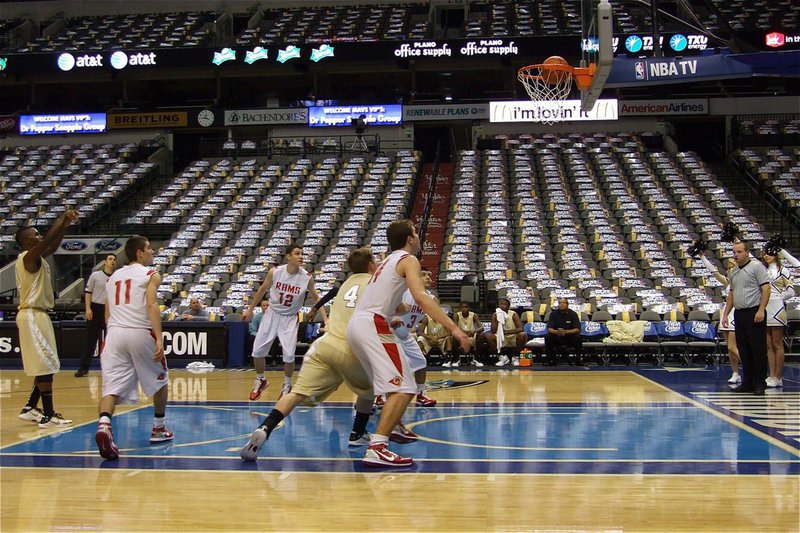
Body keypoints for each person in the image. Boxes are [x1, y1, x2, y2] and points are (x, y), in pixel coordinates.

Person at [346, 220, 470, 467]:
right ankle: (378, 447)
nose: (418, 236)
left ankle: (394, 427)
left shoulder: (386, 262)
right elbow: (420, 296)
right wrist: (454, 328)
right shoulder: (408, 259)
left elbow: (398, 303)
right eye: (415, 232)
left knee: (393, 386)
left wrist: (399, 307)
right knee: (404, 387)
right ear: (410, 239)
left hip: (358, 324)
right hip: (373, 324)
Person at [241, 248, 380, 460]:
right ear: (371, 265)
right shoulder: (373, 284)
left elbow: (322, 300)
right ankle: (358, 433)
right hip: (350, 347)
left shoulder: (343, 286)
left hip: (324, 344)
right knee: (369, 390)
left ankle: (265, 427)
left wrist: (324, 318)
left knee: (296, 393)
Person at [94, 236, 172, 460]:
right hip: (139, 330)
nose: (152, 252)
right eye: (149, 248)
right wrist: (159, 338)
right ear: (139, 252)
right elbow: (151, 304)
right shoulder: (151, 274)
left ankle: (104, 424)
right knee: (161, 378)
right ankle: (159, 428)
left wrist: (112, 332)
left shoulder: (113, 276)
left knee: (111, 386)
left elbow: (107, 312)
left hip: (114, 333)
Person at [15, 210, 78, 428]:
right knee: (45, 365)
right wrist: (62, 219)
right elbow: (49, 241)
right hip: (32, 313)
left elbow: (52, 246)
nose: (39, 236)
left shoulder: (37, 256)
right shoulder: (28, 257)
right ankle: (49, 415)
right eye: (35, 234)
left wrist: (66, 226)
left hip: (38, 314)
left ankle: (30, 408)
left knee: (47, 363)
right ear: (25, 242)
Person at [242, 244, 325, 400]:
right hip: (272, 314)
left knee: (288, 355)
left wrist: (326, 318)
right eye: (297, 253)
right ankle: (260, 379)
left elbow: (316, 298)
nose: (301, 256)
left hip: (290, 317)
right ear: (288, 256)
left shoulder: (306, 277)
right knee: (257, 351)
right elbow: (261, 290)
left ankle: (287, 384)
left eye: (302, 254)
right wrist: (251, 309)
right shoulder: (276, 272)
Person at [378, 269, 439, 407]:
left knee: (421, 362)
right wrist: (390, 317)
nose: (428, 277)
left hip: (405, 334)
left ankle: (421, 395)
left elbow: (436, 312)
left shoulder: (430, 297)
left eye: (429, 274)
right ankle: (379, 397)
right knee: (391, 367)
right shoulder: (404, 291)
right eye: (423, 274)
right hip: (390, 332)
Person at [722, 241, 770, 396]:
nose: (736, 255)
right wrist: (725, 314)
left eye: (739, 252)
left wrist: (761, 309)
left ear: (747, 252)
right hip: (739, 312)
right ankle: (747, 381)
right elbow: (731, 294)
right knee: (743, 349)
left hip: (754, 311)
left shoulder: (757, 267)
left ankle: (760, 382)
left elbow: (766, 289)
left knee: (758, 349)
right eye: (734, 252)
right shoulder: (733, 271)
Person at [698, 252, 741, 384]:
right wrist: (702, 257)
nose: (729, 270)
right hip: (726, 313)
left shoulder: (742, 280)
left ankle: (753, 368)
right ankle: (735, 372)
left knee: (734, 347)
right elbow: (714, 272)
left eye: (731, 267)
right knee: (729, 347)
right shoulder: (728, 282)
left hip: (737, 311)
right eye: (727, 268)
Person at [761, 247, 796, 388]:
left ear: (775, 254)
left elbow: (791, 291)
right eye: (763, 254)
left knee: (777, 343)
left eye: (768, 253)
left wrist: (778, 298)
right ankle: (772, 374)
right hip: (764, 307)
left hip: (777, 308)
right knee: (768, 344)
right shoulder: (762, 270)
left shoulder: (783, 270)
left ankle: (779, 376)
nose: (765, 256)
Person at [76, 253, 116, 377]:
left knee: (111, 340)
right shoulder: (95, 275)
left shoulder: (116, 277)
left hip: (110, 310)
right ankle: (84, 368)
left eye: (114, 259)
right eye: (110, 259)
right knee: (91, 339)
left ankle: (111, 368)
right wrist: (88, 309)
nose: (112, 261)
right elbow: (88, 293)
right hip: (95, 308)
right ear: (105, 262)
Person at [488, 298, 527, 367]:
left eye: (504, 304)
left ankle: (515, 357)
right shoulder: (495, 314)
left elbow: (521, 329)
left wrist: (506, 332)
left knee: (522, 335)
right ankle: (502, 357)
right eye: (501, 304)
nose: (502, 306)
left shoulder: (513, 314)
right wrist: (495, 319)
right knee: (490, 337)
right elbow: (493, 331)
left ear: (508, 307)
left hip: (513, 336)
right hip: (501, 337)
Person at [449, 301, 488, 368]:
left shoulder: (474, 315)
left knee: (481, 336)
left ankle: (476, 358)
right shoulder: (456, 315)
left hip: (471, 336)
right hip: (460, 337)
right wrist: (462, 333)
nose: (464, 309)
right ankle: (457, 359)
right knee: (454, 336)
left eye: (466, 307)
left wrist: (474, 331)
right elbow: (454, 328)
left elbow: (482, 328)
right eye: (462, 307)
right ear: (460, 308)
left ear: (469, 308)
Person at [544, 298, 582, 366]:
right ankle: (549, 360)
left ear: (567, 304)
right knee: (548, 336)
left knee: (578, 337)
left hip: (569, 336)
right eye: (560, 303)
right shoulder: (553, 314)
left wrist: (566, 332)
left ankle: (578, 360)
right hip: (557, 336)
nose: (562, 304)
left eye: (564, 303)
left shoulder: (573, 314)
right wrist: (556, 332)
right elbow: (549, 328)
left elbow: (577, 329)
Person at [417, 301, 453, 366]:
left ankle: (448, 360)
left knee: (449, 338)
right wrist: (431, 337)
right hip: (429, 339)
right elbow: (419, 332)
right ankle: (421, 358)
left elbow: (449, 332)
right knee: (420, 338)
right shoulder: (426, 317)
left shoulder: (444, 318)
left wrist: (437, 338)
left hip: (441, 339)